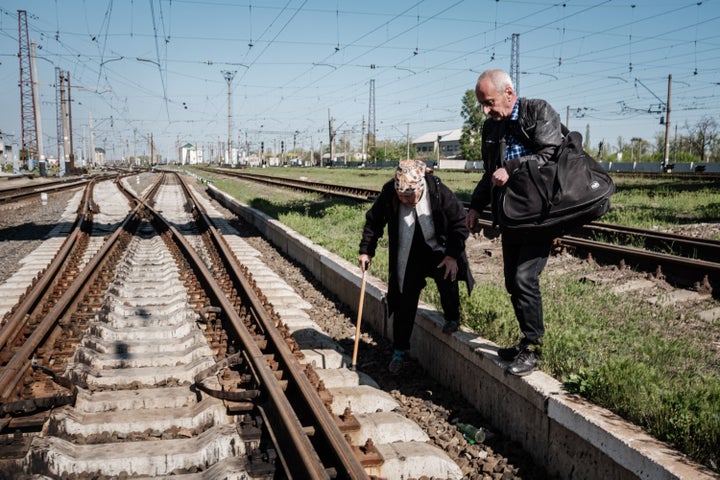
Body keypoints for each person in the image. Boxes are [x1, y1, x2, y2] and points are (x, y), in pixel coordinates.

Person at [466, 69, 564, 376]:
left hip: (540, 214)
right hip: (512, 215)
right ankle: (526, 342)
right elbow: (489, 173)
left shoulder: (538, 111)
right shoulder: (491, 128)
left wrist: (513, 167)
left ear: (509, 93)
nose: (485, 110)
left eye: (489, 101)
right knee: (512, 281)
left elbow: (553, 154)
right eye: (482, 103)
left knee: (524, 278)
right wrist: (475, 207)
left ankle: (534, 347)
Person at [358, 160, 474, 374]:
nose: (405, 200)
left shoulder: (438, 191)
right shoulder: (390, 192)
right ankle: (399, 351)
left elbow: (459, 222)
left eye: (409, 196)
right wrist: (366, 250)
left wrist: (452, 255)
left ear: (420, 188)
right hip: (408, 253)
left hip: (438, 249)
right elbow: (374, 222)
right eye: (401, 196)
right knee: (404, 300)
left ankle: (452, 318)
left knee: (448, 278)